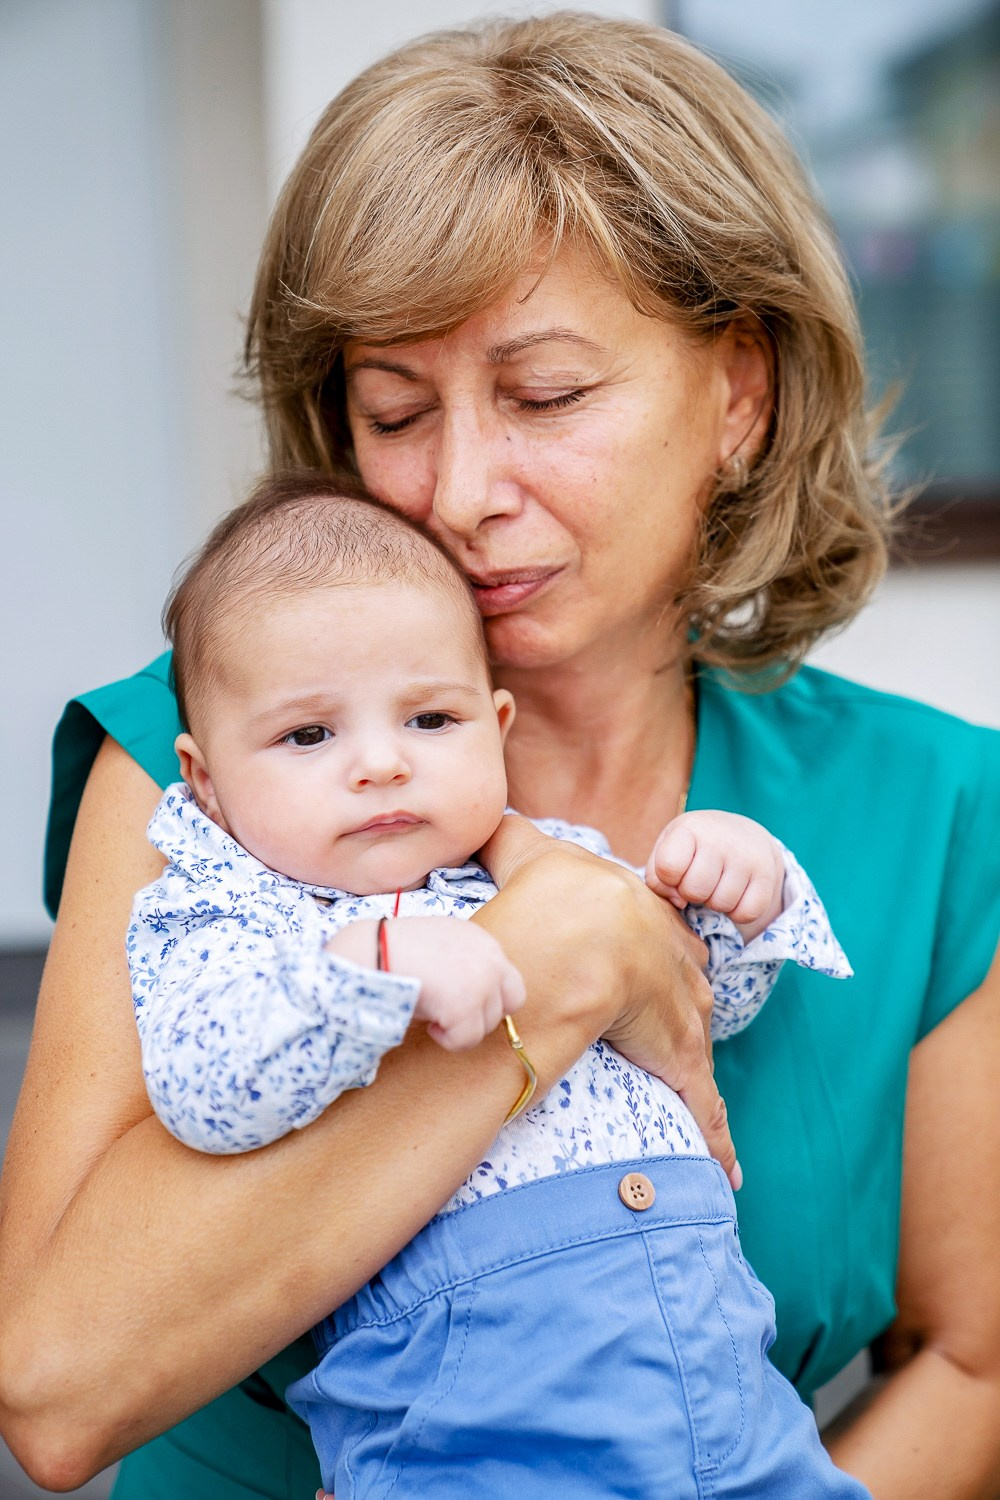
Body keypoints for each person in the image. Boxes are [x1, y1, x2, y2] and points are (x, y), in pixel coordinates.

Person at [1, 12, 999, 1500]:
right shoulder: (209, 771)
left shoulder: (928, 806)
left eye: (543, 397)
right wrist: (559, 960)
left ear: (740, 393)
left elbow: (974, 1359)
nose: (460, 493)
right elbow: (58, 1388)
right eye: (393, 411)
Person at [129, 474, 856, 1495]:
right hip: (475, 1404)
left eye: (430, 720)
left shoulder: (559, 864)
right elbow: (205, 1087)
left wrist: (738, 893)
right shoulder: (239, 914)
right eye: (309, 735)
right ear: (203, 781)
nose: (381, 764)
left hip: (720, 1367)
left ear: (496, 723)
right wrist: (371, 971)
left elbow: (699, 1014)